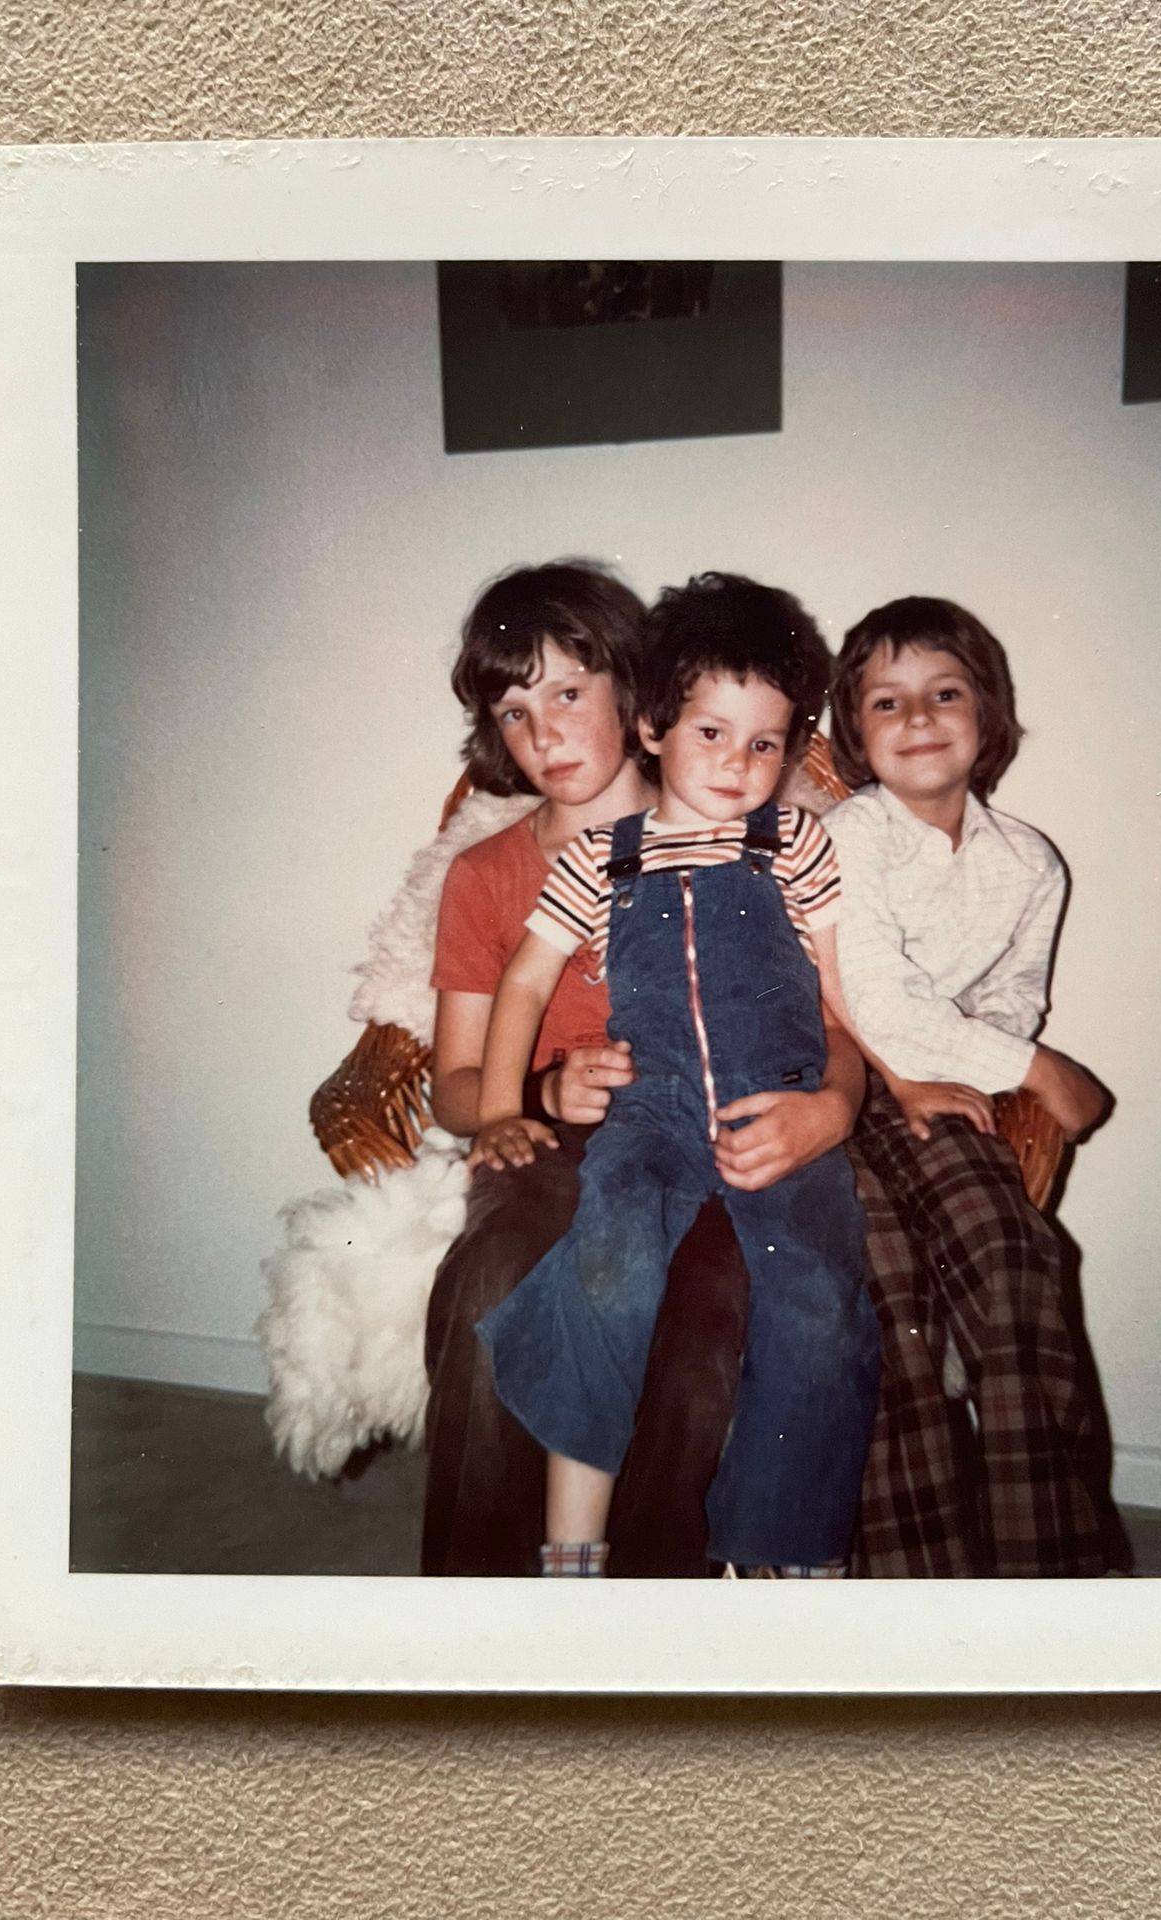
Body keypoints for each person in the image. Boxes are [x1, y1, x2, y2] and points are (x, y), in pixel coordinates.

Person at [473, 574, 881, 1577]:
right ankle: (573, 1549)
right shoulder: (601, 859)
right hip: (651, 1111)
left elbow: (849, 1000)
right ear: (653, 726)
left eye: (766, 743)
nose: (740, 764)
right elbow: (523, 978)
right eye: (712, 733)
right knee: (607, 1264)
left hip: (778, 1101)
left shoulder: (796, 843)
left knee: (821, 1301)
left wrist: (844, 1100)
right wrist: (496, 1107)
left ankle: (783, 1557)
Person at [420, 559, 749, 1577]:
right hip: (549, 1143)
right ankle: (479, 1603)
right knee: (495, 1280)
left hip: (695, 1146)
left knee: (706, 1321)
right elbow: (453, 1087)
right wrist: (535, 1091)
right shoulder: (484, 876)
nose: (545, 734)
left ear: (633, 692)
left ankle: (640, 1609)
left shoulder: (727, 841)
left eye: (568, 693)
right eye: (515, 712)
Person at [823, 595, 1126, 1578]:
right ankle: (916, 1580)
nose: (917, 717)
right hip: (831, 1076)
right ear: (855, 731)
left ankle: (1052, 1566)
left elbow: (1010, 998)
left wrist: (998, 1061)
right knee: (880, 1281)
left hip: (943, 1085)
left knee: (1010, 1251)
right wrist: (1038, 1072)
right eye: (887, 700)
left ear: (987, 713)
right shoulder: (850, 834)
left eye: (944, 693)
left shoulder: (1030, 863)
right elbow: (874, 998)